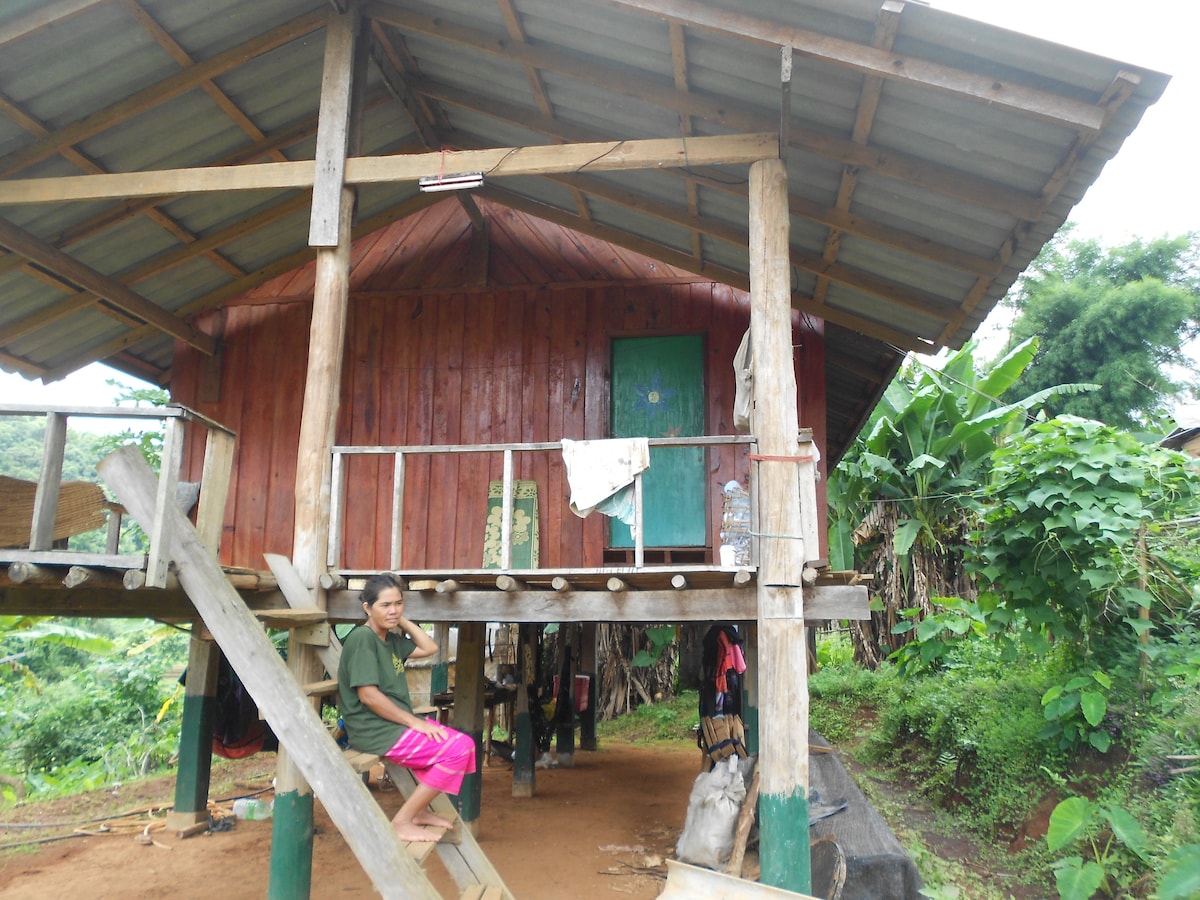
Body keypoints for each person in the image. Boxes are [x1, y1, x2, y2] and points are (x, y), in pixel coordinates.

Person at [338, 573, 476, 842]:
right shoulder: (362, 640)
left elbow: (430, 647)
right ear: (367, 607)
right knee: (458, 750)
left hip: (394, 725)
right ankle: (402, 820)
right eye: (385, 605)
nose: (393, 610)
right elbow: (368, 696)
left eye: (398, 604)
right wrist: (415, 723)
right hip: (375, 730)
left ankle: (420, 811)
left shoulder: (389, 640)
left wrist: (397, 619)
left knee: (465, 745)